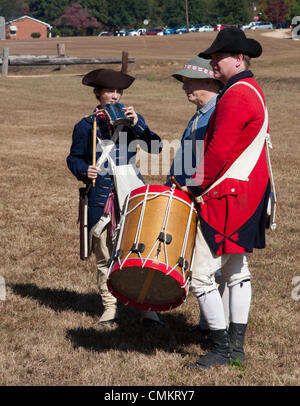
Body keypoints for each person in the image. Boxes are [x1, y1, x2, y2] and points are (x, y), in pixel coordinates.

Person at [182, 27, 270, 369]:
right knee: (236, 270)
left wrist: (193, 186)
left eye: (219, 58)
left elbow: (219, 151)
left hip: (226, 195)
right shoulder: (250, 89)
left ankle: (221, 348)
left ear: (239, 59)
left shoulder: (235, 95)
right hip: (246, 193)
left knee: (202, 274)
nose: (213, 64)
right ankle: (236, 348)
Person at [67, 68, 163, 327]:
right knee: (104, 256)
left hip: (131, 195)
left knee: (140, 253)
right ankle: (110, 308)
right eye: (109, 91)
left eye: (118, 91)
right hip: (101, 198)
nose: (115, 96)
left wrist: (138, 125)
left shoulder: (133, 122)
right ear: (98, 94)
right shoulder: (86, 125)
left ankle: (147, 309)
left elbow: (157, 147)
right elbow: (74, 157)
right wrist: (83, 170)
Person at [165, 56, 229, 331]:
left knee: (214, 267)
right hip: (189, 195)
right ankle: (211, 324)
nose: (184, 87)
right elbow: (186, 157)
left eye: (188, 81)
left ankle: (216, 329)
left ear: (209, 82)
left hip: (209, 199)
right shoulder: (199, 115)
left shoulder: (218, 114)